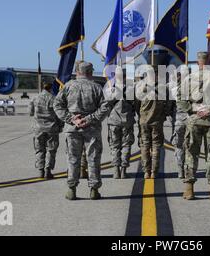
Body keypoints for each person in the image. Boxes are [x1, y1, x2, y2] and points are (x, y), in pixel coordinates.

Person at [54, 61, 112, 201]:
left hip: (73, 129)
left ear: (77, 71)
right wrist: (90, 119)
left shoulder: (68, 86)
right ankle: (94, 189)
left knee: (73, 159)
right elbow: (105, 108)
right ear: (90, 72)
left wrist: (72, 119)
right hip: (91, 129)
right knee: (93, 159)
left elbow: (57, 105)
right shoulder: (97, 88)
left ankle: (71, 189)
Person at [181, 52, 210, 201]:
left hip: (194, 121)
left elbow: (179, 99)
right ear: (208, 61)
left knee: (191, 154)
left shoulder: (188, 79)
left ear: (197, 62)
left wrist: (193, 109)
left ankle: (189, 189)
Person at [138, 66, 167, 179]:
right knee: (156, 146)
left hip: (144, 121)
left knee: (145, 145)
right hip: (157, 121)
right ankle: (154, 172)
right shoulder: (162, 88)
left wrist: (141, 114)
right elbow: (167, 105)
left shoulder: (140, 87)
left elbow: (136, 104)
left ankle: (146, 171)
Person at [29, 82, 62, 179]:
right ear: (51, 88)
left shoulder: (35, 98)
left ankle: (40, 171)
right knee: (51, 150)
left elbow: (30, 112)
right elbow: (59, 114)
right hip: (52, 128)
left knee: (39, 149)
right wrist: (60, 126)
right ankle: (48, 170)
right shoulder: (54, 99)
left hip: (38, 128)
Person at [107, 79, 135, 180]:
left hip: (114, 121)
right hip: (127, 121)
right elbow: (135, 104)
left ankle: (116, 171)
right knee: (126, 145)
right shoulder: (132, 89)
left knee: (114, 146)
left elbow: (106, 104)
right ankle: (123, 170)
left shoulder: (112, 90)